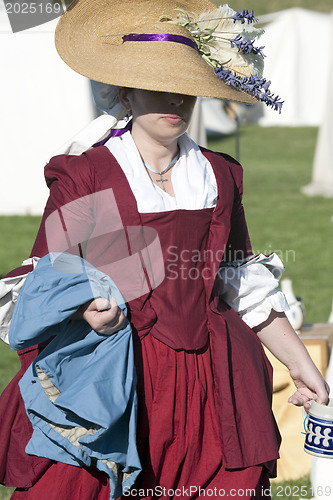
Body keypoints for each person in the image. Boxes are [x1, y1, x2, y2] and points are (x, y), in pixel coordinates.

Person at [0, 0, 329, 499]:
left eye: (185, 90)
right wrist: (90, 307)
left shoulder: (218, 174)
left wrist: (299, 363)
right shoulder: (91, 175)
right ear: (125, 93)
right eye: (159, 87)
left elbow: (239, 279)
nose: (174, 101)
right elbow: (48, 278)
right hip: (118, 379)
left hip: (212, 380)